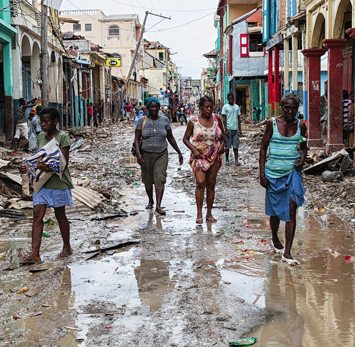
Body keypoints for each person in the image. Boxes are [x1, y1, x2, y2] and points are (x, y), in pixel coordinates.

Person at [19, 107, 74, 263]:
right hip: (42, 182)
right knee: (37, 215)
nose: (42, 124)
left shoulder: (63, 137)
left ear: (55, 121)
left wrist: (48, 168)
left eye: (46, 121)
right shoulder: (41, 136)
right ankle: (35, 253)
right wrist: (27, 166)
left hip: (58, 183)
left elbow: (63, 163)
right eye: (41, 121)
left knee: (60, 215)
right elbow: (38, 158)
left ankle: (66, 247)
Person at [259, 93, 307, 265]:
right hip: (273, 174)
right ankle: (274, 237)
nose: (290, 111)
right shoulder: (272, 123)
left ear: (297, 108)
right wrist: (262, 174)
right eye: (287, 108)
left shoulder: (301, 125)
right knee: (274, 212)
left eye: (294, 108)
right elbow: (263, 149)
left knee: (291, 210)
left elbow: (303, 146)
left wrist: (302, 160)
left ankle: (287, 252)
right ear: (282, 106)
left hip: (292, 175)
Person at [134, 97, 183, 215]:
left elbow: (170, 137)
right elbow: (136, 139)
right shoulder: (142, 121)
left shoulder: (165, 120)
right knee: (148, 179)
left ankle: (158, 206)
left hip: (161, 153)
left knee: (160, 177)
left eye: (156, 106)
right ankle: (150, 200)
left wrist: (179, 152)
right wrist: (139, 155)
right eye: (152, 107)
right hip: (145, 154)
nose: (154, 109)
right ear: (147, 108)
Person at [183, 95, 225, 224]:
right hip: (199, 156)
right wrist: (194, 151)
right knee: (200, 182)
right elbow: (185, 138)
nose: (209, 110)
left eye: (211, 107)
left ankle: (209, 213)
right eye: (206, 107)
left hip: (214, 156)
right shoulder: (193, 121)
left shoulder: (217, 119)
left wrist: (222, 147)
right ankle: (199, 213)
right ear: (200, 107)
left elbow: (223, 137)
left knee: (211, 184)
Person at [222, 92, 242, 166]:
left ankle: (236, 160)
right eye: (229, 99)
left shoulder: (237, 107)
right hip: (229, 129)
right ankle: (227, 160)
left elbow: (239, 119)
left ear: (234, 98)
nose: (231, 100)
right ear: (227, 99)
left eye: (232, 98)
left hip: (235, 129)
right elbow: (224, 119)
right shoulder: (225, 107)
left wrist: (240, 130)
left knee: (236, 146)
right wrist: (226, 130)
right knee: (227, 146)